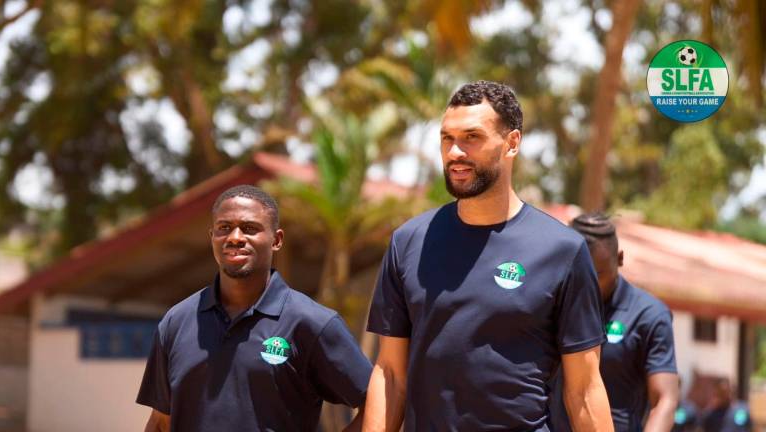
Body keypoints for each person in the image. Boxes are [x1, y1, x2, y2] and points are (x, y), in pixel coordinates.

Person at [363, 80, 613, 431]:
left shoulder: (562, 251)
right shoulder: (408, 243)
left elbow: (584, 390)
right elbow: (390, 374)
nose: (455, 153)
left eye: (472, 138)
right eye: (447, 139)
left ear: (512, 143)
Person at [136, 185, 372, 432]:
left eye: (249, 228)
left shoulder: (312, 323)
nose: (235, 237)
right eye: (224, 228)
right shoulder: (177, 321)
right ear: (212, 237)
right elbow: (162, 421)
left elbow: (377, 405)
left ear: (276, 240)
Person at [548, 213, 680, 431]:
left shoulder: (648, 315)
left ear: (619, 259)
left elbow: (664, 400)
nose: (586, 284)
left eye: (596, 274)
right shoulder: (550, 304)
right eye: (578, 273)